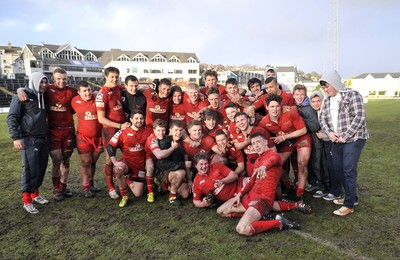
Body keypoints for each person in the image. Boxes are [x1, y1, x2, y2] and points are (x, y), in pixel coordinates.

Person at [216, 133, 310, 236]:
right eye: (253, 143)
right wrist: (239, 194)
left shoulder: (274, 155)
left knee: (242, 229)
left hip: (263, 199)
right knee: (221, 211)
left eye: (258, 142)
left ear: (265, 142)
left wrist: (263, 167)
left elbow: (271, 161)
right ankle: (263, 215)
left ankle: (278, 222)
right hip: (250, 197)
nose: (256, 145)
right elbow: (251, 182)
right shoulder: (257, 161)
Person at [17, 68, 78, 201]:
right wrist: (19, 90)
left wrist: (96, 91)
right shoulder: (47, 90)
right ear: (53, 79)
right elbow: (31, 89)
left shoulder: (72, 91)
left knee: (66, 160)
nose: (62, 81)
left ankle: (63, 186)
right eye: (58, 79)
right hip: (53, 131)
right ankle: (56, 188)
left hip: (68, 130)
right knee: (56, 159)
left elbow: (86, 91)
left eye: (64, 79)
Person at [319, 70, 369, 216]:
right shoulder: (327, 100)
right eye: (323, 87)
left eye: (327, 86)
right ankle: (352, 197)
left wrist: (346, 136)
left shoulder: (353, 95)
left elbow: (359, 117)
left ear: (334, 82)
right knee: (338, 169)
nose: (325, 90)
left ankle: (349, 204)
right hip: (336, 139)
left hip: (354, 139)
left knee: (348, 169)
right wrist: (329, 133)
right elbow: (322, 119)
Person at [7, 72, 50, 214]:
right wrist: (16, 137)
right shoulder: (22, 96)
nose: (43, 85)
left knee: (40, 168)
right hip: (28, 138)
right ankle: (27, 200)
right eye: (41, 82)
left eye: (45, 82)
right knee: (30, 169)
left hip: (43, 138)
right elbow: (12, 117)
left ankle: (35, 194)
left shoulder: (44, 96)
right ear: (34, 81)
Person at [259, 94, 311, 202]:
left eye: (277, 106)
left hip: (300, 137)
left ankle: (299, 193)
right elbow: (261, 137)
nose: (275, 109)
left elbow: (303, 130)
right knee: (277, 163)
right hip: (286, 143)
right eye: (272, 106)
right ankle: (289, 187)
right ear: (267, 107)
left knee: (302, 162)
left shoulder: (290, 112)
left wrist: (284, 137)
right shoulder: (263, 122)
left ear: (281, 106)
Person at [96, 67, 131, 200]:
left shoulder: (118, 88)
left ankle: (130, 180)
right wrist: (120, 125)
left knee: (130, 153)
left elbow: (130, 88)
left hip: (123, 128)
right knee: (109, 159)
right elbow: (101, 119)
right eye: (112, 76)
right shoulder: (102, 93)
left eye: (117, 76)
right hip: (110, 130)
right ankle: (111, 188)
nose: (115, 79)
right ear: (106, 76)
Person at [107, 109, 153, 208]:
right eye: (136, 118)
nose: (139, 121)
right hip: (127, 162)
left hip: (140, 165)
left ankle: (127, 178)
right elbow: (110, 146)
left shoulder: (148, 131)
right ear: (131, 119)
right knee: (118, 170)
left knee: (138, 194)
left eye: (141, 118)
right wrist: (115, 161)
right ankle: (124, 196)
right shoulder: (123, 132)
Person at [71, 81, 103, 198]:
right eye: (84, 91)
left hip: (98, 138)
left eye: (89, 90)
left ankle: (91, 183)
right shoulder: (74, 101)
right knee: (86, 162)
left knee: (93, 161)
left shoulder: (97, 98)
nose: (87, 93)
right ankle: (86, 187)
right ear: (79, 92)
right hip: (83, 138)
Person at [150, 120, 190, 205]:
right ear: (170, 130)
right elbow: (161, 164)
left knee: (185, 194)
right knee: (181, 173)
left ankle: (166, 187)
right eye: (176, 130)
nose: (178, 133)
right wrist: (181, 165)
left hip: (176, 172)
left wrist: (189, 180)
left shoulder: (182, 144)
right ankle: (172, 197)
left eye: (180, 130)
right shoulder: (164, 142)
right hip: (163, 173)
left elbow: (186, 162)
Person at [292, 84, 321, 193]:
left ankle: (317, 184)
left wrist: (300, 119)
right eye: (297, 94)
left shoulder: (309, 109)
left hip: (312, 140)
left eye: (302, 95)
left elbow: (315, 126)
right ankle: (305, 182)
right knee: (301, 163)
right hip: (299, 139)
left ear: (305, 95)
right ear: (293, 95)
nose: (299, 97)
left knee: (313, 163)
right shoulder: (293, 106)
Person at [232, 111, 275, 176]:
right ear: (236, 125)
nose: (241, 123)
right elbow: (237, 146)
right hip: (250, 165)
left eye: (242, 120)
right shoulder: (238, 136)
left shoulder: (260, 131)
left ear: (248, 119)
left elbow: (273, 150)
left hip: (264, 163)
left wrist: (267, 164)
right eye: (238, 122)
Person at [309, 90, 332, 199]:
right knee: (322, 164)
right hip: (323, 142)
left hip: (330, 142)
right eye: (313, 101)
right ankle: (325, 187)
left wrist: (324, 136)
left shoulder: (326, 111)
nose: (316, 103)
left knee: (327, 165)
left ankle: (328, 188)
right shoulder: (316, 112)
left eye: (318, 101)